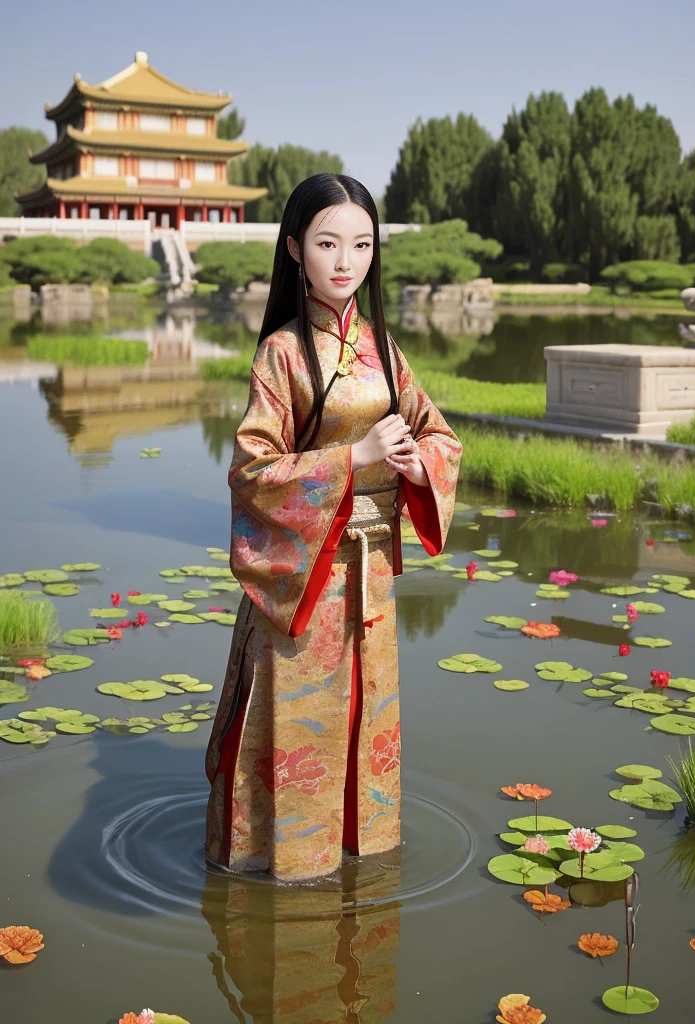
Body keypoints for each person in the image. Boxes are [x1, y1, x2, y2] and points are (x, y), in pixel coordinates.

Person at [204, 173, 462, 881]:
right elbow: (253, 472)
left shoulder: (385, 348)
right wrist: (356, 457)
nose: (345, 260)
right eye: (326, 243)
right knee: (299, 715)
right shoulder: (281, 353)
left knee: (367, 712)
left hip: (371, 572)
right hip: (306, 576)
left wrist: (413, 461)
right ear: (294, 249)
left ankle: (362, 853)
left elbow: (441, 436)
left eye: (361, 244)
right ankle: (283, 862)